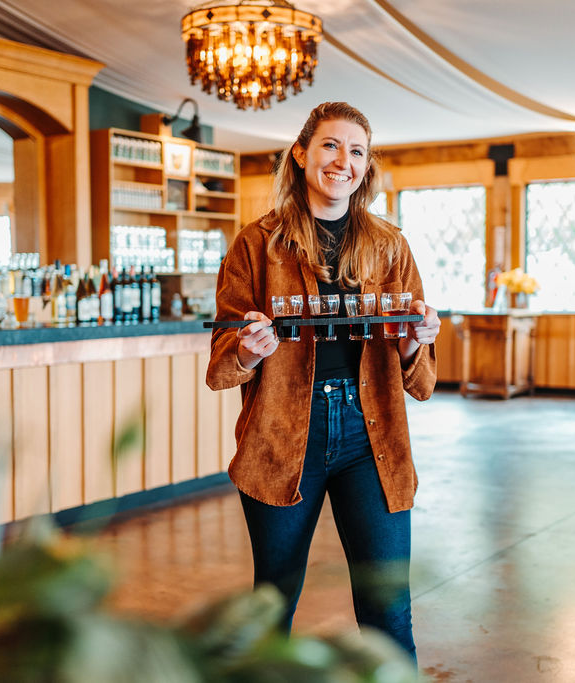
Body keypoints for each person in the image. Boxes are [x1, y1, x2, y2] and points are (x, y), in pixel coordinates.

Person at [205, 101, 440, 661]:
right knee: (274, 600)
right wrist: (247, 347)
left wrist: (414, 341)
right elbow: (219, 366)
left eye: (356, 150)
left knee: (389, 606)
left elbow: (422, 378)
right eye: (331, 145)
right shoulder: (256, 243)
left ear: (367, 166)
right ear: (301, 153)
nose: (343, 161)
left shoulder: (390, 245)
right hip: (284, 435)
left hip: (371, 437)